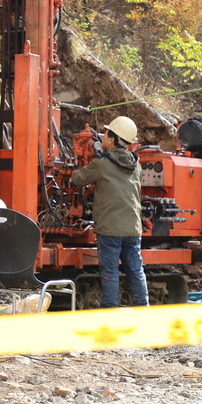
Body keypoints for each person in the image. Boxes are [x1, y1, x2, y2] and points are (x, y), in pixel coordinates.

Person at [70, 116, 149, 308]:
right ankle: (143, 307)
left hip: (110, 229)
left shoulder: (102, 163)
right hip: (132, 229)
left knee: (110, 273)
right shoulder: (136, 164)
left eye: (106, 133)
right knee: (136, 271)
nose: (103, 136)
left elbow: (77, 179)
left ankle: (110, 312)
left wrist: (78, 169)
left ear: (113, 139)